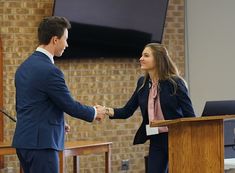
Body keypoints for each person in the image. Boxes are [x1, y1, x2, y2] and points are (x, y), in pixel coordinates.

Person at [12, 16, 106, 173]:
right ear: (55, 40)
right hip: (42, 145)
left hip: (24, 143)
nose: (67, 44)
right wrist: (95, 112)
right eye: (66, 39)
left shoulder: (24, 67)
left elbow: (32, 105)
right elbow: (69, 105)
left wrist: (57, 123)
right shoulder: (50, 71)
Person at [102, 43, 195, 173]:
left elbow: (190, 115)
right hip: (155, 138)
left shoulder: (175, 83)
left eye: (146, 55)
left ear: (158, 59)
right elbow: (127, 111)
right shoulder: (142, 83)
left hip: (177, 137)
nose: (141, 58)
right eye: (141, 55)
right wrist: (105, 110)